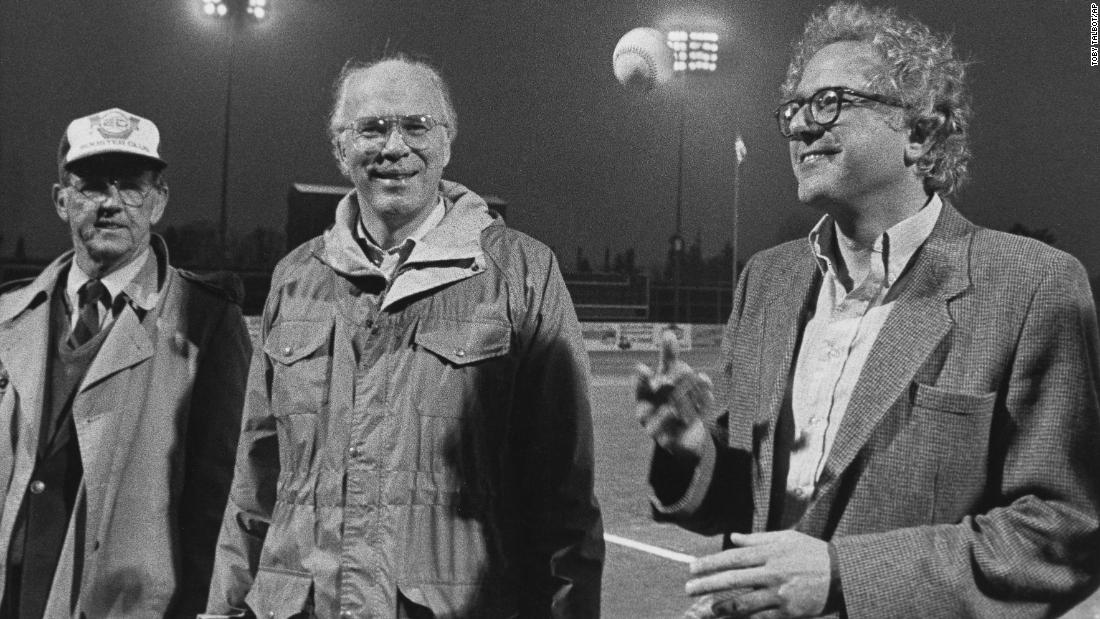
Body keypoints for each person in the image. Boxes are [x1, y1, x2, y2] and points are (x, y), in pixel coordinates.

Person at [637, 3, 1100, 617]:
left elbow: (1061, 532)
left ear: (919, 133)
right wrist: (692, 447)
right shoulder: (767, 282)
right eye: (794, 110)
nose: (802, 126)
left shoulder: (1032, 284)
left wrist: (841, 576)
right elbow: (754, 502)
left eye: (830, 101)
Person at [205, 55, 604, 618]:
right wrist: (223, 608)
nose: (394, 147)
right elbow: (254, 481)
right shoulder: (296, 278)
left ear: (447, 143)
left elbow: (567, 498)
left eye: (416, 126)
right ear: (341, 149)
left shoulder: (521, 272)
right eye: (371, 128)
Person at [0, 108, 251, 617]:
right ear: (61, 200)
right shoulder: (8, 315)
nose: (111, 204)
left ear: (158, 201)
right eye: (91, 185)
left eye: (131, 185)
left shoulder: (206, 321)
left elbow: (219, 500)